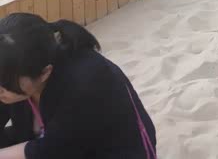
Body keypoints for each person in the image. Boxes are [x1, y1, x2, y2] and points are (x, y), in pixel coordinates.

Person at [0, 13, 156, 158]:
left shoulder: (83, 84)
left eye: (5, 83)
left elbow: (52, 150)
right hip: (56, 138)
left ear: (44, 73)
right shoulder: (16, 70)